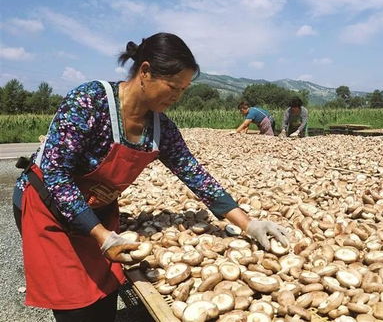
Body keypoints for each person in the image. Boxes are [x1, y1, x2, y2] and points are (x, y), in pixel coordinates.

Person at [12, 33, 287, 322]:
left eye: (183, 90)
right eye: (172, 86)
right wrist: (101, 235)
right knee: (76, 304)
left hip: (98, 212)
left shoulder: (161, 128)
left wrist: (249, 223)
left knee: (105, 294)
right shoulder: (90, 101)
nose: (176, 96)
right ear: (145, 72)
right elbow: (56, 173)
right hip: (49, 210)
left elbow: (194, 174)